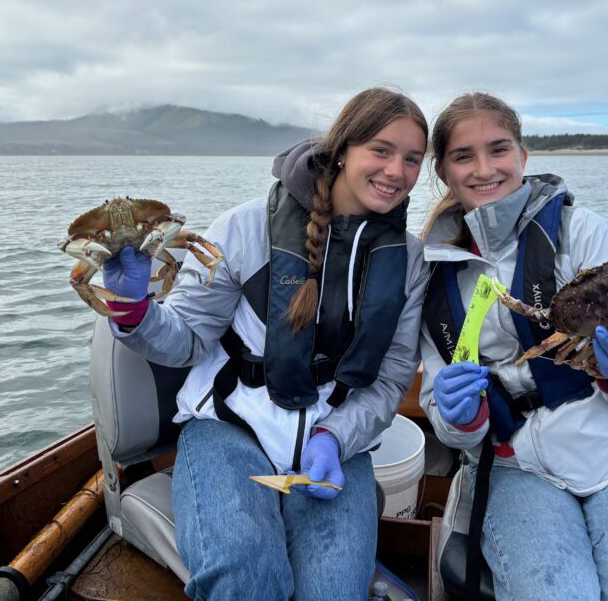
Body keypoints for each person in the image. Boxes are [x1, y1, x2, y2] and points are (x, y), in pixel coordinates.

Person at [97, 88, 430, 601]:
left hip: (335, 441)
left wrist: (336, 438)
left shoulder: (408, 259)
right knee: (244, 581)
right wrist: (132, 310)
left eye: (412, 159)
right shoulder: (244, 228)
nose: (396, 171)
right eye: (381, 150)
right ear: (343, 148)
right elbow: (184, 340)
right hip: (231, 427)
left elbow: (389, 380)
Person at [419, 92, 608, 600]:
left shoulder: (583, 233)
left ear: (523, 156)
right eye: (463, 156)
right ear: (443, 171)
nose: (484, 169)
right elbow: (443, 413)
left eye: (499, 149)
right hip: (512, 462)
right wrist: (457, 416)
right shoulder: (430, 271)